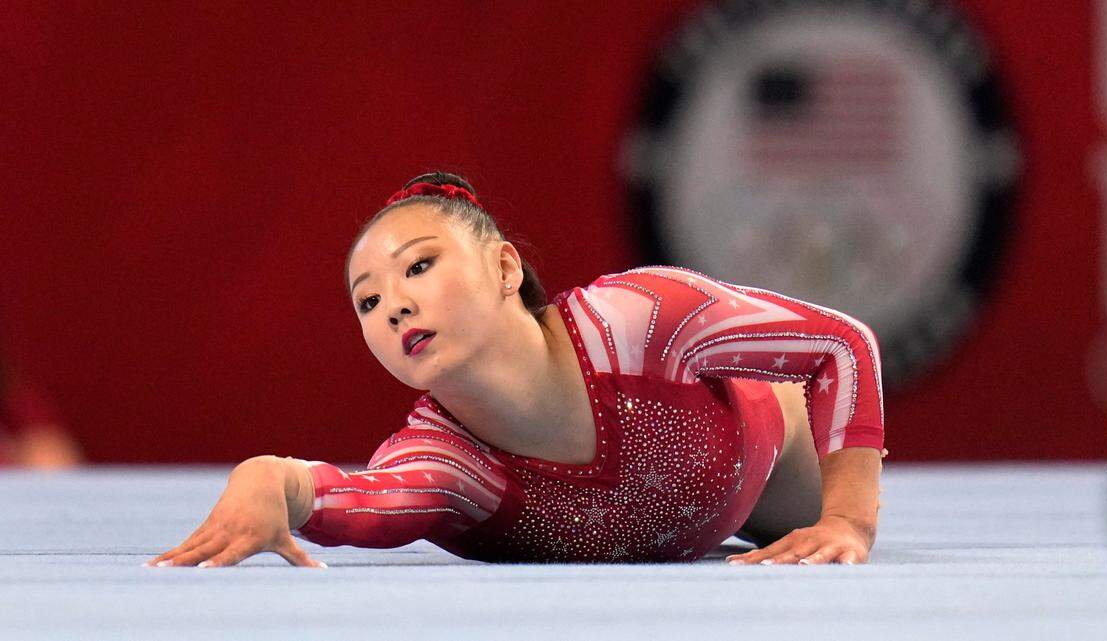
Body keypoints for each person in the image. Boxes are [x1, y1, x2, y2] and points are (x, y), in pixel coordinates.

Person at [147, 172, 886, 569]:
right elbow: (362, 497)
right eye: (366, 301)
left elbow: (842, 346)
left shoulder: (643, 322)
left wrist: (848, 519)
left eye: (421, 266)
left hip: (769, 467)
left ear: (503, 266)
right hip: (702, 523)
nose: (394, 307)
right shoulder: (447, 464)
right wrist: (275, 479)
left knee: (814, 532)